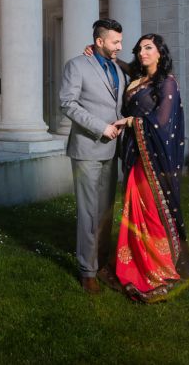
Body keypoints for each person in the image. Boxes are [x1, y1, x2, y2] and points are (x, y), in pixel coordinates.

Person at [112, 33, 189, 302]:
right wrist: (105, 53)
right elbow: (127, 67)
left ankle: (162, 270)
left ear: (160, 52)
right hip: (137, 155)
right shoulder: (138, 80)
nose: (143, 52)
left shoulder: (166, 82)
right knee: (134, 211)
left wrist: (130, 122)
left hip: (156, 159)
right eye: (139, 49)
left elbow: (161, 121)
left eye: (149, 48)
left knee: (153, 211)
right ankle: (135, 262)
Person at [59, 18, 127, 294]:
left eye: (121, 41)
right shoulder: (76, 66)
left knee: (106, 210)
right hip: (87, 148)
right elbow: (67, 103)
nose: (120, 46)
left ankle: (100, 263)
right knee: (89, 211)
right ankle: (87, 271)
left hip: (111, 151)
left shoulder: (120, 70)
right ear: (99, 42)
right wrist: (101, 128)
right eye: (115, 42)